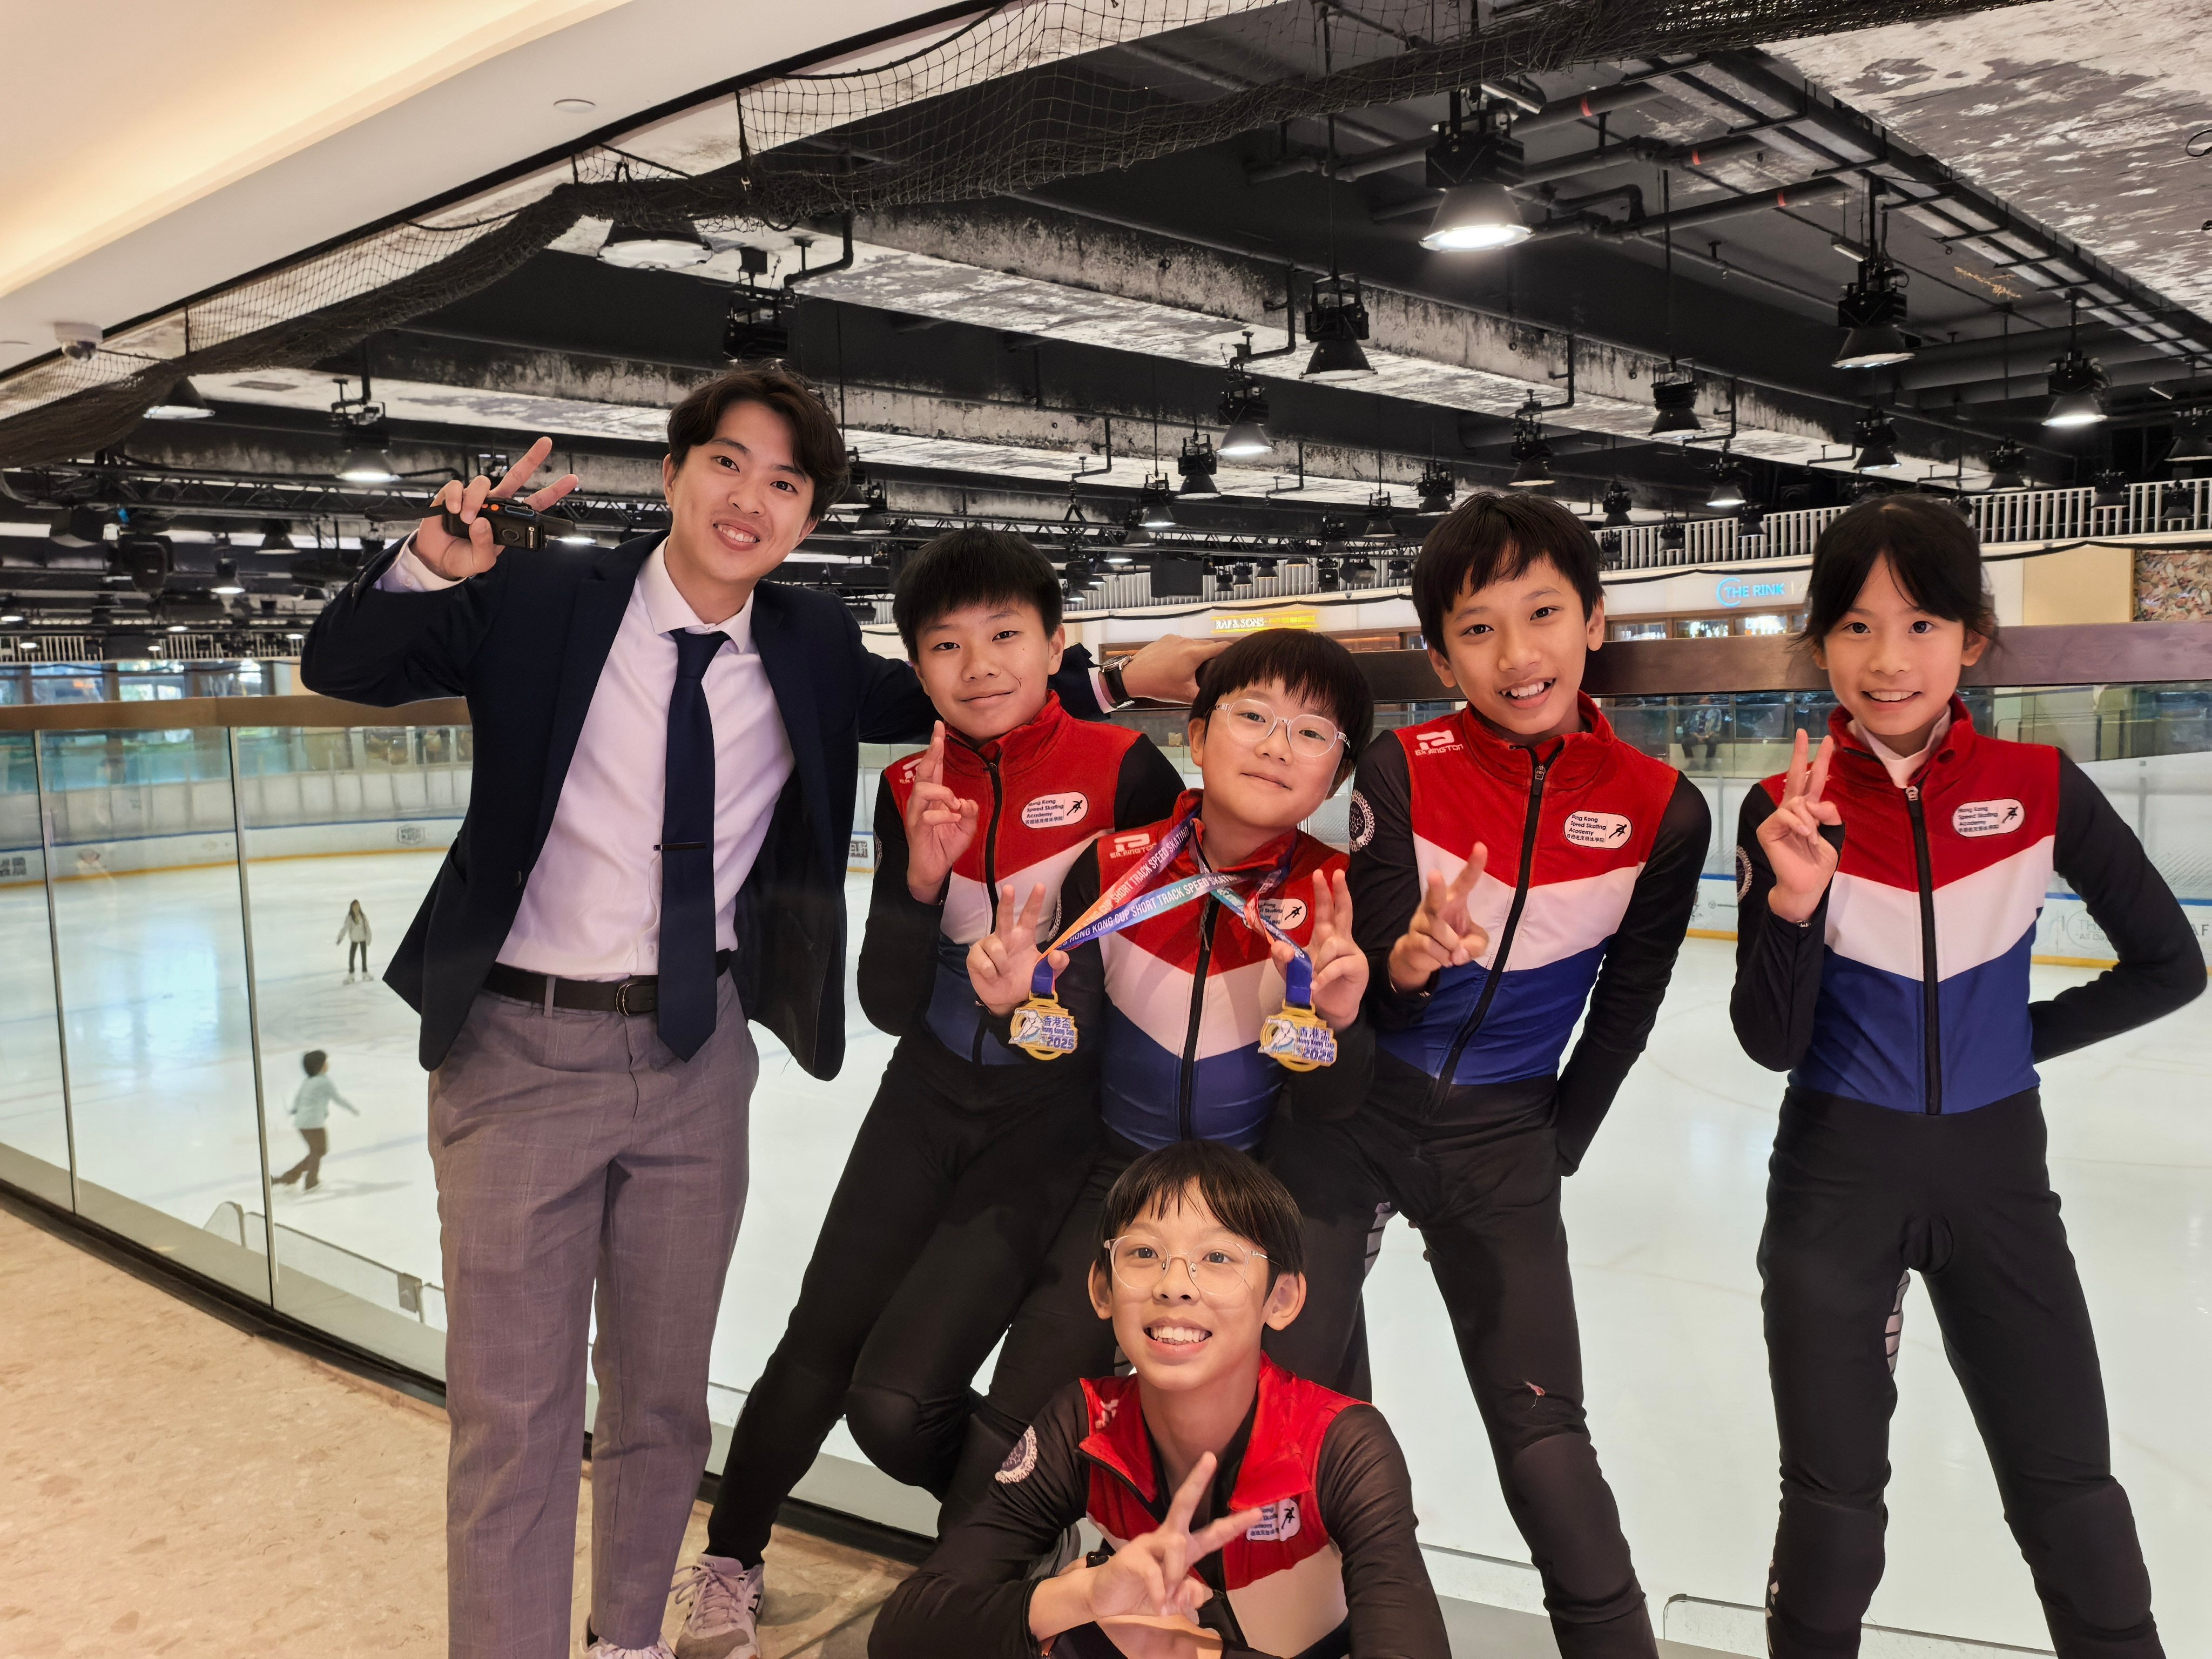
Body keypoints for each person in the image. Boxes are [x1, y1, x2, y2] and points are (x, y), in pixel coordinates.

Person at [299, 365, 1218, 1659]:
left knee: (664, 1399)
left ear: (805, 516)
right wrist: (434, 562)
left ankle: (628, 1640)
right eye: (728, 463)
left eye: (785, 482)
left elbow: (968, 691)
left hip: (694, 1058)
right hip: (519, 1045)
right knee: (515, 1409)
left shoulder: (808, 641)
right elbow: (344, 665)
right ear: (675, 473)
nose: (751, 498)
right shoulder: (543, 595)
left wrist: (1118, 676)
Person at [674, 528, 1183, 1658]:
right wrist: (915, 881)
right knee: (818, 1337)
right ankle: (730, 1557)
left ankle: (996, 1574)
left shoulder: (1124, 773)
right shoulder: (910, 780)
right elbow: (891, 1003)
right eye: (945, 645)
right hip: (925, 1092)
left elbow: (1141, 991)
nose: (980, 665)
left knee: (897, 1397)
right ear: (916, 662)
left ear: (1055, 644)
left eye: (1006, 635)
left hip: (1050, 1124)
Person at [1730, 494, 2203, 1659]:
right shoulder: (1783, 808)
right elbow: (1768, 1042)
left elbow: (2167, 965)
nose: (1886, 659)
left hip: (1998, 1181)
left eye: (1921, 624)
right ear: (1819, 643)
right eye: (1852, 626)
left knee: (2072, 1503)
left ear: (1971, 640)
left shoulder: (2041, 789)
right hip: (1833, 1182)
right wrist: (1790, 905)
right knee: (1831, 1518)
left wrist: (2001, 1048)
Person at [1264, 493, 1708, 1658]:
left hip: (1504, 1134)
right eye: (1476, 629)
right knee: (1278, 1404)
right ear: (1438, 650)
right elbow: (1356, 973)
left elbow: (1627, 1002)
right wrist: (1408, 962)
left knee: (1546, 1445)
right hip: (1350, 1117)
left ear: (1595, 620)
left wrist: (1550, 1146)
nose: (1517, 657)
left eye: (1544, 613)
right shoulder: (1395, 765)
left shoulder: (1663, 810)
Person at [941, 628, 1378, 1522]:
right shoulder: (1115, 868)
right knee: (1012, 1432)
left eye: (1311, 732)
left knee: (1257, 1466)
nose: (1273, 744)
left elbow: (1342, 1104)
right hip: (1120, 1184)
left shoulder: (1342, 891)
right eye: (1251, 715)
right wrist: (1015, 1005)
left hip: (1257, 1200)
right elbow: (1062, 1047)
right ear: (1197, 734)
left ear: (1337, 775)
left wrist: (1340, 1021)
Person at [869, 1138, 1451, 1659]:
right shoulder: (1083, 1422)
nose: (1174, 1284)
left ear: (1281, 1298)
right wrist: (1083, 1594)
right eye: (1143, 1254)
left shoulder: (1340, 1444)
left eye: (1218, 1258)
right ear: (1102, 1288)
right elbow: (904, 1631)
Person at [274, 1048, 358, 1190]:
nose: (327, 1064)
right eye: (325, 1062)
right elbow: (338, 1099)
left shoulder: (308, 1081)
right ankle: (307, 1181)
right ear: (320, 1066)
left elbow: (298, 1099)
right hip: (313, 1123)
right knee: (319, 1151)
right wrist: (353, 1109)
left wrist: (295, 1110)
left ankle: (292, 1177)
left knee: (317, 1151)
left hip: (302, 1123)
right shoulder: (324, 1082)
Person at [337, 899, 372, 981]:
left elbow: (367, 927)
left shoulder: (363, 916)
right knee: (352, 956)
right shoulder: (350, 917)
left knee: (364, 956)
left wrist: (369, 938)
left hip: (363, 938)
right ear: (352, 907)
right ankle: (351, 974)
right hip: (354, 939)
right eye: (355, 906)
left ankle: (365, 971)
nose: (356, 908)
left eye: (358, 906)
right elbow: (345, 928)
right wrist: (340, 937)